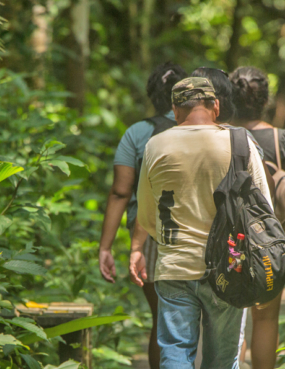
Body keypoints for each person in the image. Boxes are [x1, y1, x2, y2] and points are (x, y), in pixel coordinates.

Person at [129, 77, 273, 369]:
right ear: (216, 106)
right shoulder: (240, 141)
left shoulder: (155, 145)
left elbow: (145, 213)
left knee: (176, 353)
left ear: (175, 111)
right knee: (222, 360)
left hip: (174, 267)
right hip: (230, 267)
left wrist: (138, 249)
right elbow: (264, 211)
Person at [98, 61, 187, 369]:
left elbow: (121, 192)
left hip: (148, 231)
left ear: (152, 95)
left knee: (163, 319)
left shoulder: (137, 133)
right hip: (197, 230)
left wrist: (105, 247)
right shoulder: (200, 130)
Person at [229, 66, 285, 369]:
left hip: (230, 241)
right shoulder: (280, 138)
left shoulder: (221, 135)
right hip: (272, 244)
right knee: (265, 318)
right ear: (265, 99)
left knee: (233, 316)